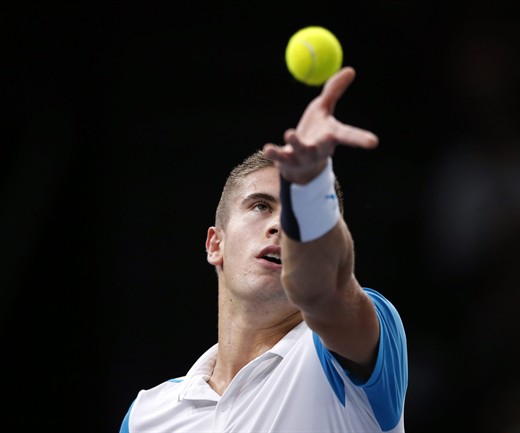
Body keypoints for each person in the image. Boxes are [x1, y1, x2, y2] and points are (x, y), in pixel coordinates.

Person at [119, 66, 408, 433]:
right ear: (215, 244)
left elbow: (326, 289)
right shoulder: (148, 416)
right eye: (260, 206)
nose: (281, 225)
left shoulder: (341, 355)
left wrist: (311, 186)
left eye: (298, 214)